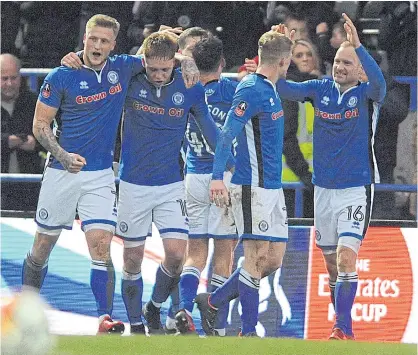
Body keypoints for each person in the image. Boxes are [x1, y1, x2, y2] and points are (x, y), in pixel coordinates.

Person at [22, 14, 199, 335]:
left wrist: (185, 58)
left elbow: (157, 54)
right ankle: (24, 307)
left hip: (101, 175)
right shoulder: (62, 75)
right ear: (85, 38)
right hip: (61, 172)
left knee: (101, 246)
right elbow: (39, 125)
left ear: (113, 44)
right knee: (42, 245)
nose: (98, 45)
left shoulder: (123, 67)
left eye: (105, 41)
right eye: (93, 39)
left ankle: (104, 318)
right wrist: (61, 154)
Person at [115, 31, 234, 335]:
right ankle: (138, 326)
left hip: (171, 184)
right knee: (132, 260)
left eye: (165, 69)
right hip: (132, 183)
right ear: (144, 63)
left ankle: (153, 307)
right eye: (152, 69)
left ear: (173, 65)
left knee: (178, 256)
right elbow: (101, 60)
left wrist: (227, 165)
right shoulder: (131, 77)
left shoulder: (189, 87)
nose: (157, 75)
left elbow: (210, 130)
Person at [276, 14, 386, 340]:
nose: (340, 67)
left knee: (346, 256)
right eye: (337, 61)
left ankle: (344, 327)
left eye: (348, 63)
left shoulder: (367, 94)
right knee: (331, 263)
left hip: (355, 188)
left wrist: (360, 46)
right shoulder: (319, 88)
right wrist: (276, 54)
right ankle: (341, 324)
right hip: (323, 189)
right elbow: (284, 87)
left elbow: (380, 83)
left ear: (360, 69)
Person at [194, 25, 294, 337]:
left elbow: (269, 60)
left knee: (273, 260)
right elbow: (226, 134)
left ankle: (212, 301)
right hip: (251, 185)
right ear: (284, 62)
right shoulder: (251, 89)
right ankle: (248, 334)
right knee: (254, 257)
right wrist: (215, 178)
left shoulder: (267, 85)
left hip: (272, 188)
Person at [175, 34, 239, 336]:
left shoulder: (186, 88)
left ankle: (185, 309)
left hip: (192, 175)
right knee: (224, 251)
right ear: (222, 63)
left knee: (195, 252)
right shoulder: (233, 89)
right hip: (223, 177)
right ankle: (217, 326)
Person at [1, 54, 45, 211]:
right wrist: (6, 142)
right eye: (4, 78)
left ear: (20, 77)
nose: (9, 83)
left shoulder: (34, 103)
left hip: (29, 189)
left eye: (14, 78)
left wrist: (36, 144)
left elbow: (53, 139)